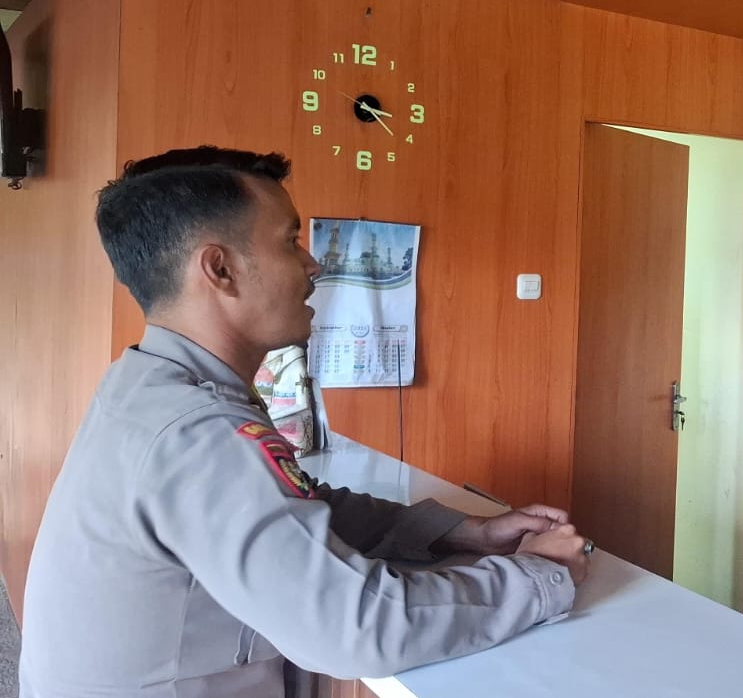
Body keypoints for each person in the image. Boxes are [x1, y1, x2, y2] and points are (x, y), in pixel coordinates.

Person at [21, 146, 591, 698]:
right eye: (290, 241)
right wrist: (540, 575)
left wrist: (465, 533)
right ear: (220, 269)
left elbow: (297, 508)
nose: (313, 263)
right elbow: (356, 628)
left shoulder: (148, 383)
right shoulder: (200, 430)